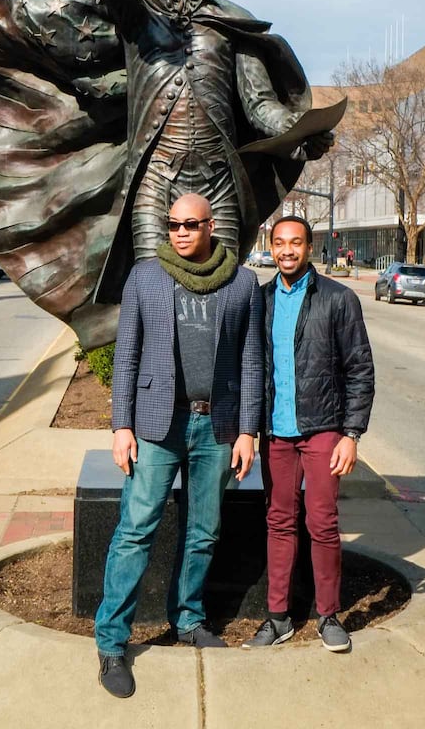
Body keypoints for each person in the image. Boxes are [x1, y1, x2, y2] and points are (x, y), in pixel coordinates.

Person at [57, 0, 334, 302]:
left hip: (219, 180)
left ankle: (219, 380)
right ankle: (153, 379)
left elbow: (260, 106)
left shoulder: (230, 23)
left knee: (221, 296)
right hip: (155, 177)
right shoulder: (138, 9)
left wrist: (301, 130)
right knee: (151, 293)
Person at [95, 192, 263, 698]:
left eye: (191, 224)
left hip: (217, 427)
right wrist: (120, 426)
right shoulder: (146, 276)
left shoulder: (243, 282)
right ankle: (111, 642)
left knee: (205, 529)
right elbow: (125, 356)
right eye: (172, 224)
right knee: (136, 528)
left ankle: (189, 618)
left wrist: (249, 431)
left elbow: (252, 362)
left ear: (212, 226)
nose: (181, 232)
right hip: (155, 424)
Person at [242, 215, 374, 653]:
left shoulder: (338, 299)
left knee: (322, 524)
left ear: (309, 247)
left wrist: (351, 433)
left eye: (295, 243)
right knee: (279, 523)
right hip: (276, 434)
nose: (286, 251)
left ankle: (328, 615)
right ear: (271, 246)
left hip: (322, 431)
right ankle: (277, 617)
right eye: (279, 243)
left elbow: (359, 369)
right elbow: (250, 369)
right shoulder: (260, 300)